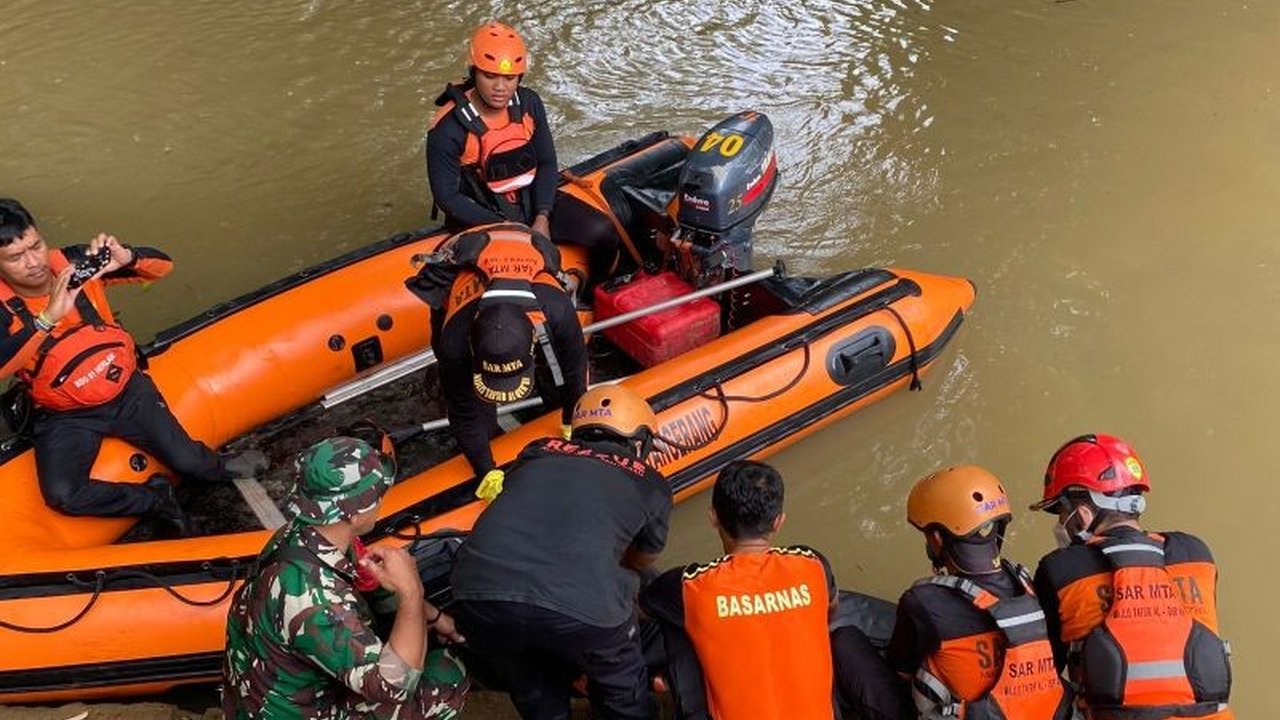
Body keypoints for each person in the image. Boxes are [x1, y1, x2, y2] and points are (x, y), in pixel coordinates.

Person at [0, 198, 267, 534]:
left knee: (188, 462)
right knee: (63, 496)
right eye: (15, 257)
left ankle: (216, 466)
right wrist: (46, 319)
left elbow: (164, 266)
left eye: (36, 246)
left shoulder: (76, 262)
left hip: (126, 388)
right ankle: (154, 499)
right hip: (65, 413)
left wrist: (127, 257)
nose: (34, 262)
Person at [449, 384, 672, 720]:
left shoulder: (537, 451)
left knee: (531, 685)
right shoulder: (650, 483)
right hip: (581, 607)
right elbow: (641, 560)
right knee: (623, 690)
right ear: (640, 441)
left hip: (476, 594)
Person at [222, 435, 469, 719]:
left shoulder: (299, 536)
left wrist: (434, 617)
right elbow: (394, 687)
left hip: (263, 690)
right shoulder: (316, 598)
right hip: (291, 711)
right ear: (353, 515)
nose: (380, 501)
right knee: (448, 678)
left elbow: (370, 585)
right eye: (377, 495)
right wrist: (412, 593)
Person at [641, 460, 909, 720]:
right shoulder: (812, 564)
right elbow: (830, 611)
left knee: (675, 620)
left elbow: (639, 610)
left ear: (713, 517)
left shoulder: (689, 584)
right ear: (779, 521)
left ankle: (662, 683)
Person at [1031, 434, 1233, 720]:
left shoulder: (1060, 569)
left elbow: (1041, 678)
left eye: (1061, 512)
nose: (1060, 522)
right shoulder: (1197, 555)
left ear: (1082, 514)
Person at [426, 21, 622, 281]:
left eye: (510, 78)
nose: (500, 87)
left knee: (604, 233)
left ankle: (590, 294)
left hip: (532, 201)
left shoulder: (529, 103)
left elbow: (546, 162)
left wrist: (542, 215)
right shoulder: (448, 127)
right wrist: (509, 230)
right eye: (490, 76)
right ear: (474, 73)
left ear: (520, 77)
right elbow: (447, 197)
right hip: (483, 214)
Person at [405, 222, 586, 497]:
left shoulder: (556, 310)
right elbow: (463, 409)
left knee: (558, 377)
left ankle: (550, 401)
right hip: (462, 255)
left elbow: (575, 370)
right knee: (465, 394)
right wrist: (485, 469)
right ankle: (488, 433)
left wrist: (574, 420)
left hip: (523, 243)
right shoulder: (455, 339)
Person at [888, 465, 1072, 720]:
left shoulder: (923, 600)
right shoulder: (1027, 584)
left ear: (938, 539)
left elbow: (901, 672)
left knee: (847, 640)